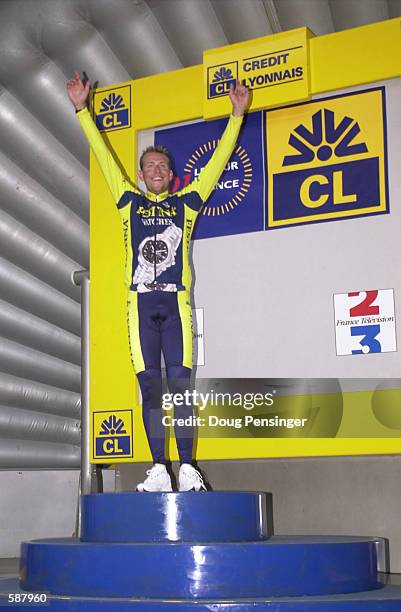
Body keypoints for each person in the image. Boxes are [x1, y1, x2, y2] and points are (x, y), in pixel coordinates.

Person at [67, 72, 249, 492]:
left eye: (162, 167)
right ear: (141, 173)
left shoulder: (187, 203)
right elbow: (103, 155)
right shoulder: (127, 199)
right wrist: (81, 110)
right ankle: (158, 468)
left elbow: (218, 160)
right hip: (139, 307)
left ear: (171, 175)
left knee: (181, 387)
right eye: (149, 166)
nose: (155, 171)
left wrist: (236, 116)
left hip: (177, 305)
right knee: (150, 387)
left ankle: (187, 468)